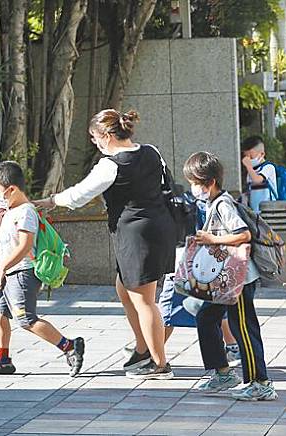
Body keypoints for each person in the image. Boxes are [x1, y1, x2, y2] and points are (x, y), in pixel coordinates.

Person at [34, 109, 175, 380]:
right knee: (125, 290)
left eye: (94, 137)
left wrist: (51, 201)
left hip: (137, 233)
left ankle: (159, 363)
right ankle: (143, 348)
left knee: (144, 300)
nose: (94, 143)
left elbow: (81, 194)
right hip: (157, 226)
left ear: (107, 135)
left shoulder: (111, 164)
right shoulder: (151, 151)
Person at [0, 161, 85, 376]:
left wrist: (3, 268)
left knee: (26, 319)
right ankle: (2, 360)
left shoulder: (25, 213)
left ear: (12, 189)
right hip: (8, 273)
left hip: (22, 273)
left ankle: (70, 346)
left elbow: (25, 246)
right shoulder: (7, 210)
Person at [183, 151, 277, 401]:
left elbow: (243, 234)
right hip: (225, 279)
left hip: (240, 279)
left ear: (210, 182)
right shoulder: (211, 203)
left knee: (243, 327)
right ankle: (223, 373)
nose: (193, 188)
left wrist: (213, 238)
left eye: (195, 183)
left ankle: (260, 382)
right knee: (206, 317)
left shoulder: (223, 203)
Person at [241, 135, 278, 213]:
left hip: (269, 210)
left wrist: (248, 166)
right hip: (255, 211)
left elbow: (257, 180)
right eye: (246, 156)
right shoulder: (251, 171)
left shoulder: (268, 167)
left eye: (251, 156)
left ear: (262, 154)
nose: (248, 159)